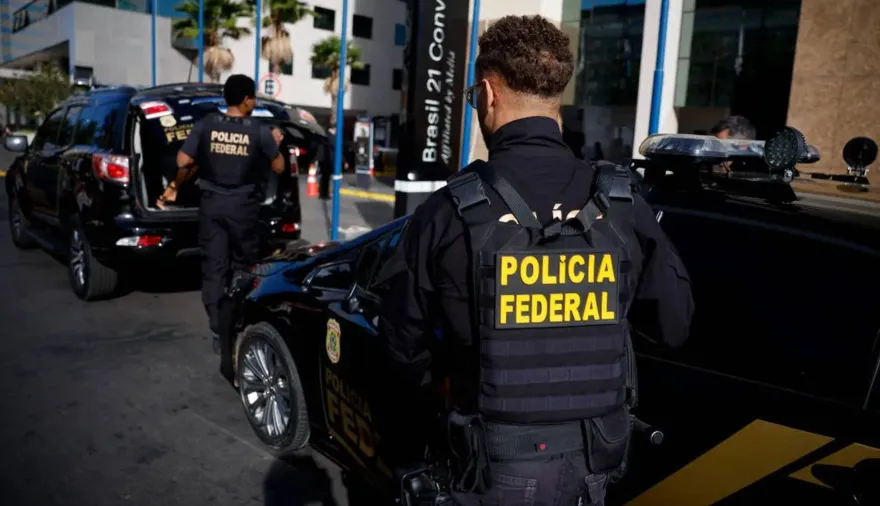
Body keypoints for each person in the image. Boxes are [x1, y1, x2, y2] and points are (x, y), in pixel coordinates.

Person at [378, 15, 694, 506]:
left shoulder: (447, 211)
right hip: (595, 466)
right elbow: (673, 327)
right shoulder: (621, 203)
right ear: (555, 99)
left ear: (488, 94)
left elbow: (402, 348)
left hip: (491, 468)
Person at [158, 74, 285, 350]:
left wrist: (205, 152)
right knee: (244, 267)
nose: (254, 102)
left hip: (212, 206)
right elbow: (279, 168)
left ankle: (218, 329)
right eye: (253, 97)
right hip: (244, 209)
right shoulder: (259, 131)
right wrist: (274, 144)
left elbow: (182, 160)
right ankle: (238, 322)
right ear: (246, 100)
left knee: (214, 269)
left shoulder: (206, 124)